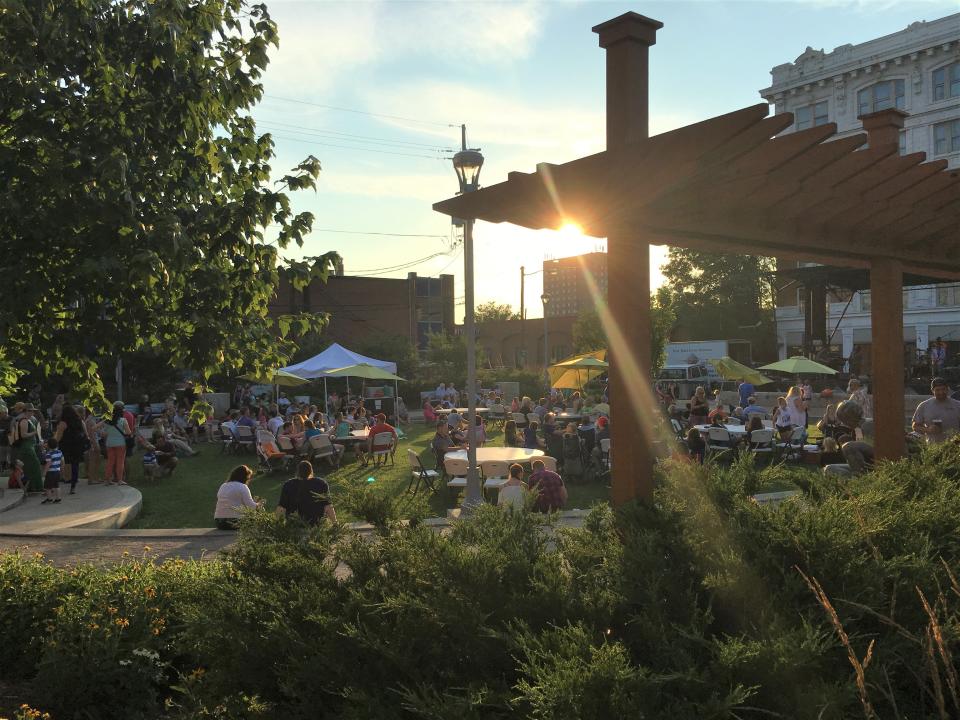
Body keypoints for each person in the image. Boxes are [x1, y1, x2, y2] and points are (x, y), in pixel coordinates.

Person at [276, 461, 337, 525]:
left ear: (298, 472)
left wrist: (277, 525)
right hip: (316, 527)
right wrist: (335, 523)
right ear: (311, 471)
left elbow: (281, 508)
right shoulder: (321, 484)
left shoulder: (288, 485)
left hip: (294, 527)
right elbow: (328, 506)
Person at [912, 377, 960, 443]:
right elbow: (915, 426)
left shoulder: (957, 405)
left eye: (943, 389)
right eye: (937, 390)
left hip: (954, 448)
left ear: (948, 389)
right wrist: (928, 430)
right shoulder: (924, 405)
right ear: (932, 390)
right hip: (934, 449)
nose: (941, 392)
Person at [214, 465, 261, 529]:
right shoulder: (243, 487)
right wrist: (259, 504)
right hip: (235, 522)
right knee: (256, 519)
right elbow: (251, 506)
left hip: (219, 522)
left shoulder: (223, 486)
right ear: (245, 477)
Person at [54, 405, 88, 495]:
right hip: (77, 446)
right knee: (75, 464)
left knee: (65, 463)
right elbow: (86, 434)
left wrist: (51, 443)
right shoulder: (80, 421)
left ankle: (65, 478)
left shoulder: (63, 423)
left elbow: (58, 436)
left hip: (66, 446)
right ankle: (73, 485)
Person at [10, 402, 43, 492]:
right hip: (26, 447)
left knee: (30, 468)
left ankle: (33, 487)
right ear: (26, 411)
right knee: (34, 466)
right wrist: (34, 432)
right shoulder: (23, 420)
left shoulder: (30, 419)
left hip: (31, 446)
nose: (32, 413)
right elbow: (24, 435)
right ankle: (36, 487)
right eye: (30, 411)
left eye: (33, 411)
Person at [101, 403, 132, 485]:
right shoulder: (123, 420)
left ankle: (107, 480)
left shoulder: (107, 421)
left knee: (110, 462)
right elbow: (129, 432)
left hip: (109, 443)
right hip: (121, 443)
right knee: (120, 462)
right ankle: (119, 480)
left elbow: (102, 432)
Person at [41, 437, 63, 504]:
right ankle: (58, 498)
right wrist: (62, 468)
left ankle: (49, 499)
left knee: (48, 487)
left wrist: (44, 472)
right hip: (57, 471)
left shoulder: (49, 454)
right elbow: (62, 461)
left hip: (50, 472)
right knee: (57, 485)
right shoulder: (60, 452)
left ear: (48, 446)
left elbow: (48, 463)